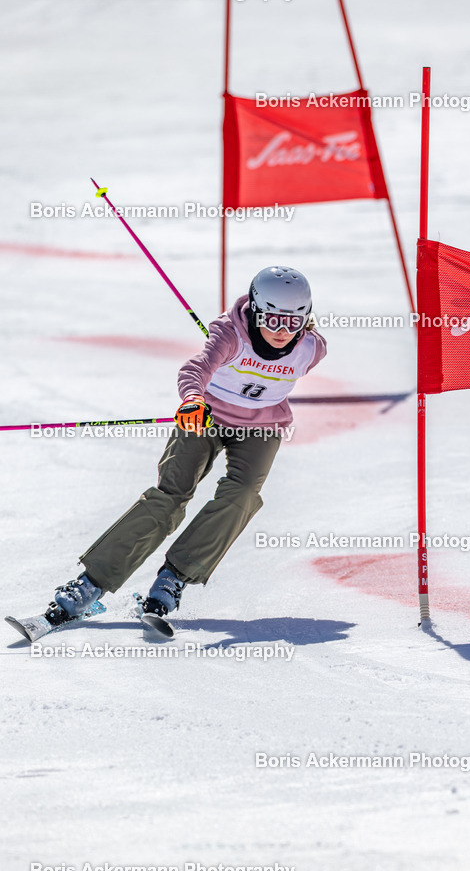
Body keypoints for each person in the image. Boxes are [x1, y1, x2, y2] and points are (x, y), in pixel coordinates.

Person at [38, 264, 326, 629]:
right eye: (271, 321)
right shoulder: (230, 333)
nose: (281, 333)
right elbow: (195, 369)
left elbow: (279, 363)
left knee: (242, 496)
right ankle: (91, 584)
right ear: (255, 309)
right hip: (203, 417)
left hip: (261, 426)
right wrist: (192, 399)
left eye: (292, 322)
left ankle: (173, 577)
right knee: (170, 496)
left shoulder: (312, 349)